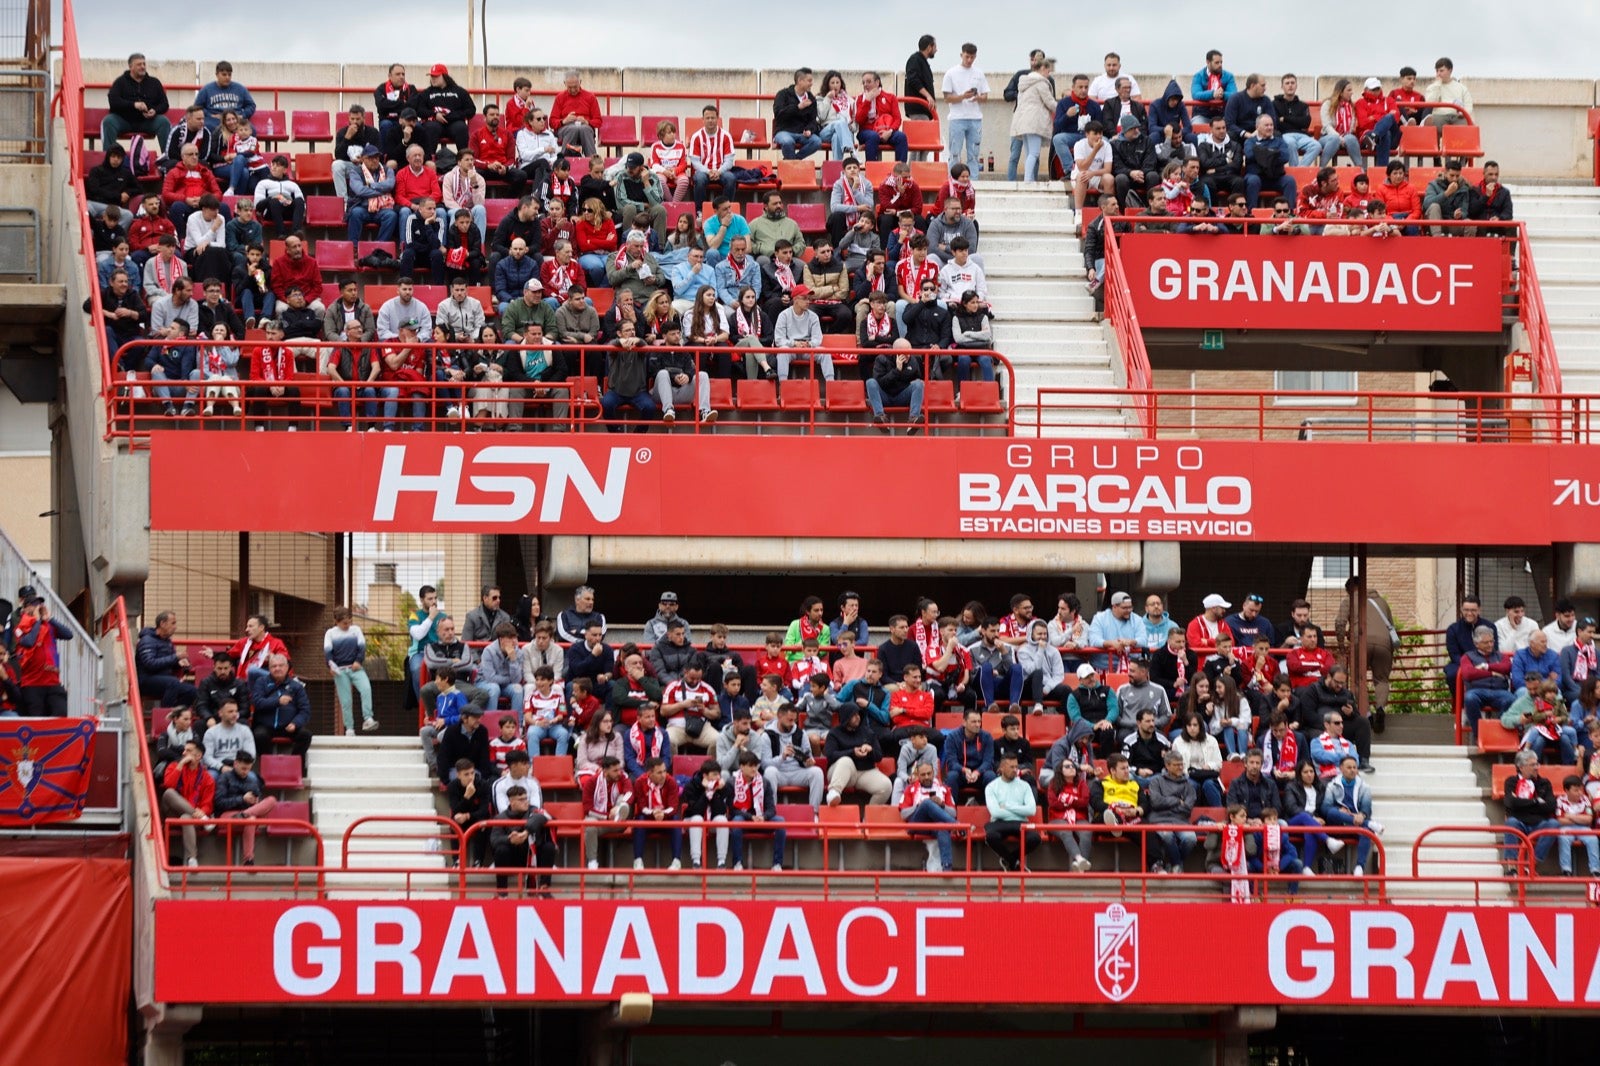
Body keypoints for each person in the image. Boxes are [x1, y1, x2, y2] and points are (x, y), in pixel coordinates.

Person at [1321, 755, 1381, 877]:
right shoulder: (1332, 785)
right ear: (1341, 768)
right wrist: (1339, 810)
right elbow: (1325, 808)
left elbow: (1366, 809)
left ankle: (1359, 866)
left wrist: (1362, 815)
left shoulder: (1364, 787)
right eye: (1349, 767)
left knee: (1366, 832)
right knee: (1332, 812)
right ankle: (1368, 823)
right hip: (1337, 824)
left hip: (1356, 825)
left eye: (1354, 767)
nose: (1352, 770)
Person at [249, 654, 311, 771]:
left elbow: (305, 710)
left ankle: (295, 768)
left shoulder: (296, 686)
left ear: (287, 667)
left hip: (288, 727)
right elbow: (257, 702)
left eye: (281, 666)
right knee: (259, 736)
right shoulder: (261, 682)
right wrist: (277, 701)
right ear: (269, 668)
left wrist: (295, 723)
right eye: (274, 666)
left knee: (305, 735)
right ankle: (269, 768)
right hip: (265, 726)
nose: (277, 668)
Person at [11, 596, 72, 715]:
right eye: (33, 604)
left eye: (39, 604)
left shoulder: (48, 625)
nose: (37, 607)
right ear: (25, 609)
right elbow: (28, 642)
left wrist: (49, 619)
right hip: (32, 683)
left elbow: (68, 635)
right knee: (36, 719)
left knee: (61, 713)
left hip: (52, 681)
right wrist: (37, 621)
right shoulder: (20, 628)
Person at [161, 739, 215, 867]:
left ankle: (192, 859)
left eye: (188, 751)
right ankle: (204, 820)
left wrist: (203, 811)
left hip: (191, 817)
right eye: (184, 750)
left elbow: (208, 804)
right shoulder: (174, 766)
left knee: (186, 817)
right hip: (171, 811)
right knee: (169, 792)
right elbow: (168, 784)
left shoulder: (207, 778)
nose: (184, 753)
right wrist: (180, 765)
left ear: (198, 756)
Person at [324, 607, 376, 736]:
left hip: (356, 668)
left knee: (366, 689)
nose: (347, 625)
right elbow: (328, 653)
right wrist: (330, 666)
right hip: (340, 671)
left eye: (349, 622)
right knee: (345, 700)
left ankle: (368, 718)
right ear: (336, 621)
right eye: (344, 623)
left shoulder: (356, 630)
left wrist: (358, 661)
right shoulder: (330, 633)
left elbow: (362, 647)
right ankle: (350, 728)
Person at [899, 759, 959, 872]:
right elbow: (903, 814)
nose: (926, 777)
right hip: (917, 825)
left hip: (936, 825)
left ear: (933, 773)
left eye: (929, 773)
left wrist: (942, 805)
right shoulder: (910, 789)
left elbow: (954, 813)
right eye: (923, 774)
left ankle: (947, 867)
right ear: (918, 775)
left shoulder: (944, 789)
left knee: (943, 828)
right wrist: (918, 806)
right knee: (927, 803)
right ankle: (957, 826)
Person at [103, 52, 172, 150]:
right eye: (139, 64)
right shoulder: (120, 82)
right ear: (131, 66)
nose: (143, 67)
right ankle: (109, 158)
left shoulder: (154, 82)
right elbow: (113, 101)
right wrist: (133, 105)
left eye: (144, 64)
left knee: (164, 122)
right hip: (124, 120)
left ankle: (168, 159)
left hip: (147, 121)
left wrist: (155, 111)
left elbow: (164, 104)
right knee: (109, 121)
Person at [824, 705, 890, 806]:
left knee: (886, 786)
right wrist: (852, 752)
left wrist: (870, 750)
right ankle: (833, 793)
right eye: (853, 715)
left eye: (858, 714)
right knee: (846, 760)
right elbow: (830, 755)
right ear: (846, 717)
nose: (858, 717)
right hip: (841, 772)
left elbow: (879, 756)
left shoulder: (868, 732)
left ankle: (869, 817)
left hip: (864, 772)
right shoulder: (834, 733)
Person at [984, 753, 1040, 871]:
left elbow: (1031, 810)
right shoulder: (991, 787)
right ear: (1002, 768)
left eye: (1016, 766)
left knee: (1035, 838)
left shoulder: (1025, 785)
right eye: (1011, 767)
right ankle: (1014, 862)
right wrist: (1020, 810)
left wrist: (1008, 806)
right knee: (991, 837)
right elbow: (995, 813)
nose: (1015, 770)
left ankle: (1010, 860)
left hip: (1021, 823)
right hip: (999, 822)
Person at [1147, 750, 1197, 874]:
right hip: (1159, 820)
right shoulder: (1156, 781)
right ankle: (1177, 865)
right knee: (1166, 835)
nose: (1180, 767)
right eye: (1176, 765)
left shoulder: (1189, 785)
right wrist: (1177, 801)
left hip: (1181, 820)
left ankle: (1174, 863)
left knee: (1191, 839)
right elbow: (1155, 803)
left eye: (1181, 764)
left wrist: (1167, 804)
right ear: (1167, 766)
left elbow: (1187, 808)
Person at [630, 757, 683, 870]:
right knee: (639, 821)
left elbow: (673, 807)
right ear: (649, 773)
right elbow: (641, 806)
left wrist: (663, 813)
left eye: (665, 771)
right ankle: (638, 860)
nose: (664, 775)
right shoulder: (640, 782)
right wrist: (653, 813)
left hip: (666, 817)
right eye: (659, 772)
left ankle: (676, 861)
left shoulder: (671, 781)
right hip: (648, 816)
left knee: (676, 821)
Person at [942, 44, 990, 170]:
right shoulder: (951, 73)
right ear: (961, 55)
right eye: (967, 56)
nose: (969, 60)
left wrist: (978, 97)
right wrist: (963, 96)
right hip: (957, 118)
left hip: (975, 118)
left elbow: (985, 97)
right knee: (955, 153)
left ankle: (973, 181)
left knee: (974, 154)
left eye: (972, 57)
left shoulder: (979, 73)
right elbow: (947, 98)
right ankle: (953, 180)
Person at [1009, 57, 1056, 184]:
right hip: (1035, 121)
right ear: (1042, 68)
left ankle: (1028, 179)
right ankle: (1028, 180)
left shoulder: (1024, 82)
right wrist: (1062, 109)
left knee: (1029, 152)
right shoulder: (1041, 83)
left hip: (1023, 121)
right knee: (1034, 153)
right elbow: (1050, 102)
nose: (1049, 74)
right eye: (1048, 71)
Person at [1460, 625, 1515, 730]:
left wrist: (1486, 667)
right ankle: (1480, 733)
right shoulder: (1468, 656)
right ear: (1476, 644)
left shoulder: (1501, 656)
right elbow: (1468, 673)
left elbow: (1507, 667)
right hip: (1477, 690)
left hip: (1499, 691)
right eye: (1486, 643)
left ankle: (1498, 730)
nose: (1490, 645)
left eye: (1492, 641)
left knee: (1511, 699)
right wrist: (1492, 673)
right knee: (1470, 699)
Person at [855, 71, 908, 163]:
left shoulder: (890, 97)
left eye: (868, 81)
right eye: (863, 82)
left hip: (886, 131)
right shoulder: (860, 99)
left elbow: (897, 119)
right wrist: (867, 101)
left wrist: (890, 131)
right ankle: (872, 172)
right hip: (867, 132)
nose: (865, 85)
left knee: (901, 137)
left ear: (877, 82)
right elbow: (859, 120)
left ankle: (900, 172)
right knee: (873, 136)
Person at [773, 68, 823, 160]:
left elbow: (813, 120)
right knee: (788, 141)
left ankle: (794, 161)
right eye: (809, 80)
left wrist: (809, 130)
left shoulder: (811, 99)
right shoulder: (783, 94)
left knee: (817, 141)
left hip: (802, 134)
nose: (811, 83)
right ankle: (792, 165)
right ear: (800, 80)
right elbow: (779, 115)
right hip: (784, 132)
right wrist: (797, 107)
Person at [1555, 775, 1599, 876]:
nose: (1579, 793)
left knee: (1593, 839)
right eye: (1576, 790)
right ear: (1566, 790)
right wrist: (1580, 819)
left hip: (1584, 828)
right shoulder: (1560, 800)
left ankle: (1595, 870)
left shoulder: (1585, 799)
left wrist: (1570, 816)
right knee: (1563, 838)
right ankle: (1566, 870)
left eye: (1580, 790)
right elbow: (1560, 821)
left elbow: (1588, 819)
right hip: (1566, 828)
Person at [1424, 58, 1472, 130]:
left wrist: (1463, 113)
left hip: (1458, 117)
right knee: (1434, 125)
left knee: (1464, 128)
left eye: (1441, 70)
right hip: (1439, 116)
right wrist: (1437, 85)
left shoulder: (1462, 88)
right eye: (1437, 71)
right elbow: (1430, 103)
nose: (1438, 74)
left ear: (1450, 70)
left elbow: (1468, 105)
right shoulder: (1432, 87)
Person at [904, 34, 939, 120]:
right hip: (918, 110)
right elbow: (913, 80)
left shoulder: (923, 62)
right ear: (929, 47)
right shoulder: (915, 60)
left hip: (924, 110)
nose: (936, 50)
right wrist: (928, 96)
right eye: (935, 47)